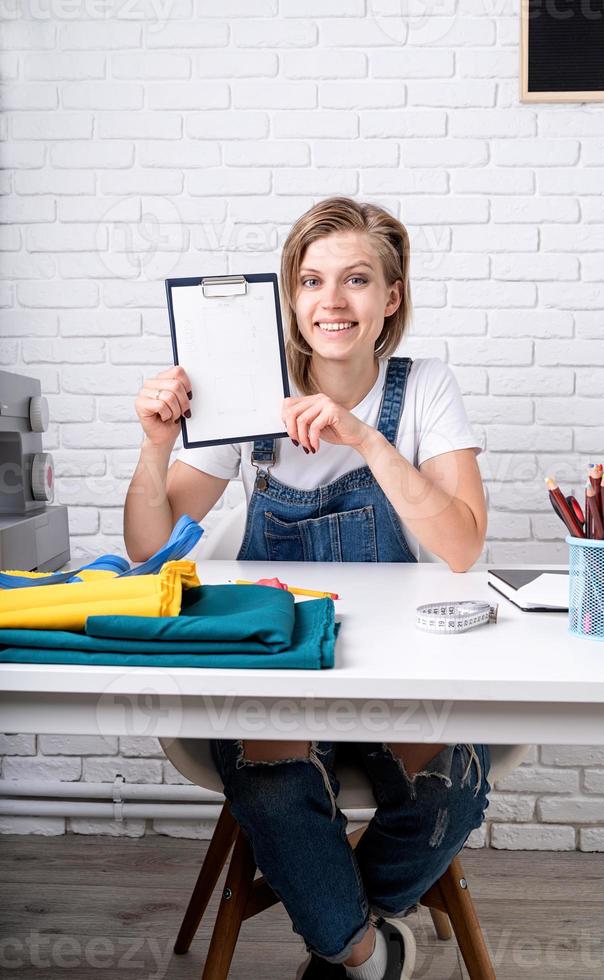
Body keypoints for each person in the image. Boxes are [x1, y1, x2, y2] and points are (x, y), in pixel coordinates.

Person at [124, 197, 491, 980]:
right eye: (313, 280)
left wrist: (362, 435)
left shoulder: (423, 387)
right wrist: (156, 449)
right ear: (290, 297)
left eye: (357, 279)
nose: (333, 301)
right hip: (276, 662)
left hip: (397, 671)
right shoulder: (247, 394)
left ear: (390, 297)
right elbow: (150, 553)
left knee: (450, 792)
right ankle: (362, 951)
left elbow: (461, 545)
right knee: (276, 793)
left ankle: (336, 932)